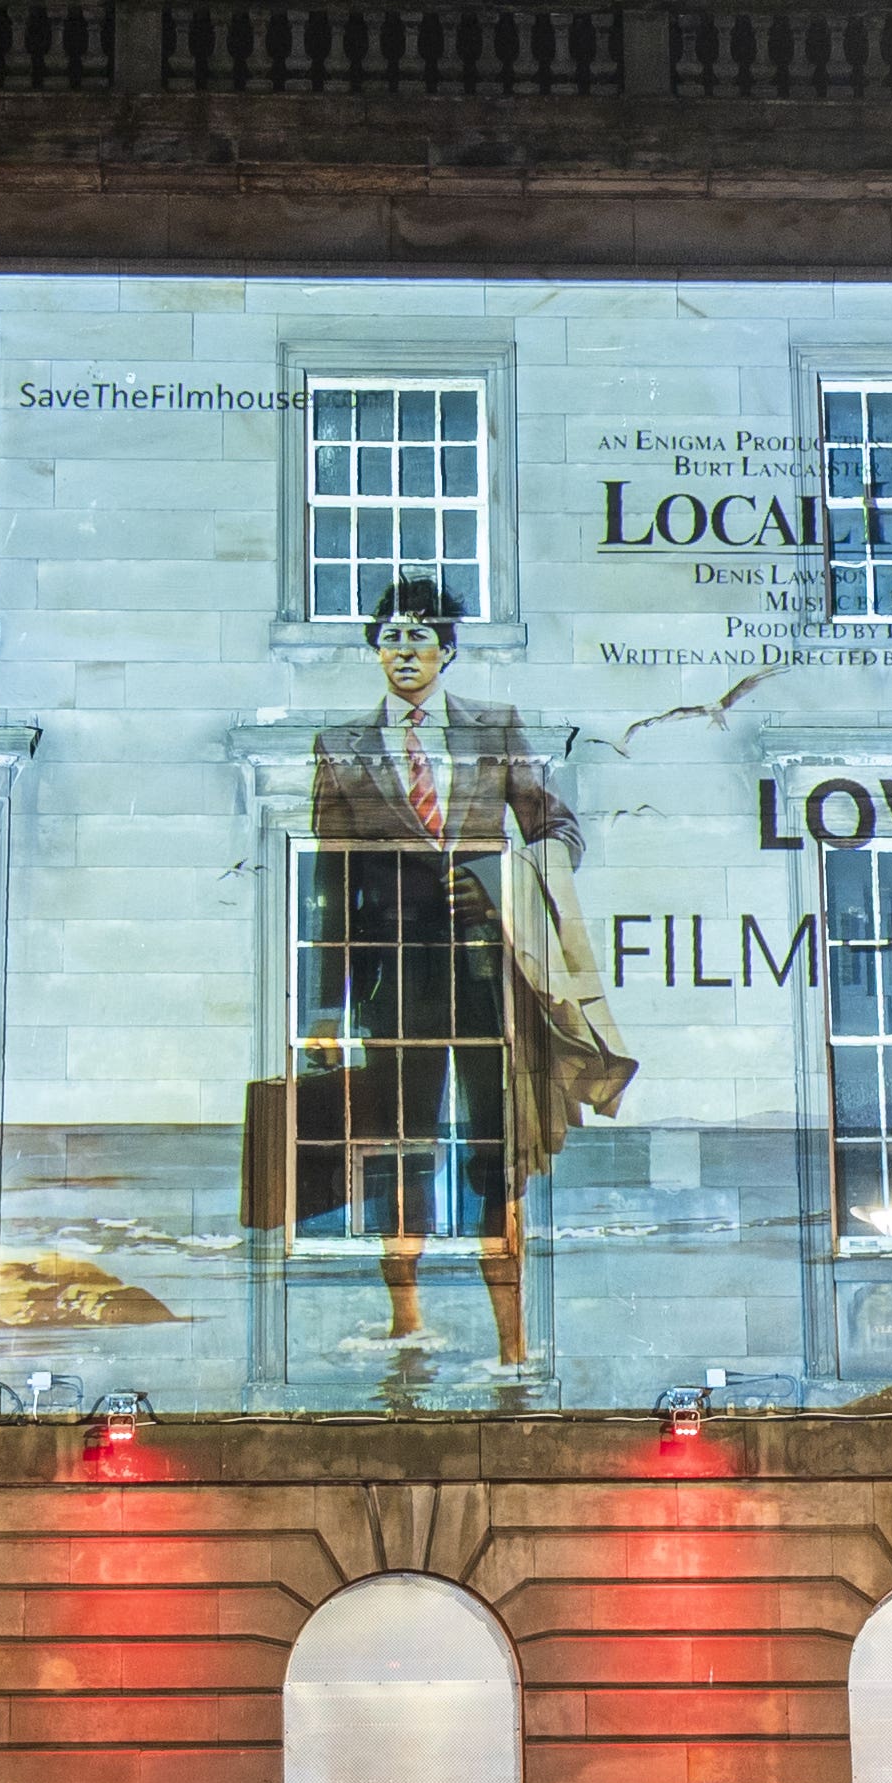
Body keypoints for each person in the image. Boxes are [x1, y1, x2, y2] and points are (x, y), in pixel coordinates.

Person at [301, 575, 631, 1366]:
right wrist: (324, 1009)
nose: (405, 652)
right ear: (375, 651)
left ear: (447, 650)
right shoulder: (340, 747)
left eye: (420, 638)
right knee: (398, 1146)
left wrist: (504, 882)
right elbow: (329, 884)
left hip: (490, 979)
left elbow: (557, 829)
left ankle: (511, 1347)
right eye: (390, 638)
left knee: (496, 1150)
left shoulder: (497, 729)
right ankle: (406, 1325)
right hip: (396, 984)